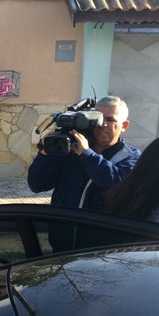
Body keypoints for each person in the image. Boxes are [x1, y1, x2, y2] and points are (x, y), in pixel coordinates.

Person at [27, 96, 141, 250]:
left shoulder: (130, 157)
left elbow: (114, 183)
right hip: (61, 246)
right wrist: (45, 153)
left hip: (101, 250)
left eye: (110, 120)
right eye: (97, 119)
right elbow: (37, 184)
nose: (103, 125)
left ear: (124, 125)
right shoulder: (70, 151)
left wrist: (87, 154)